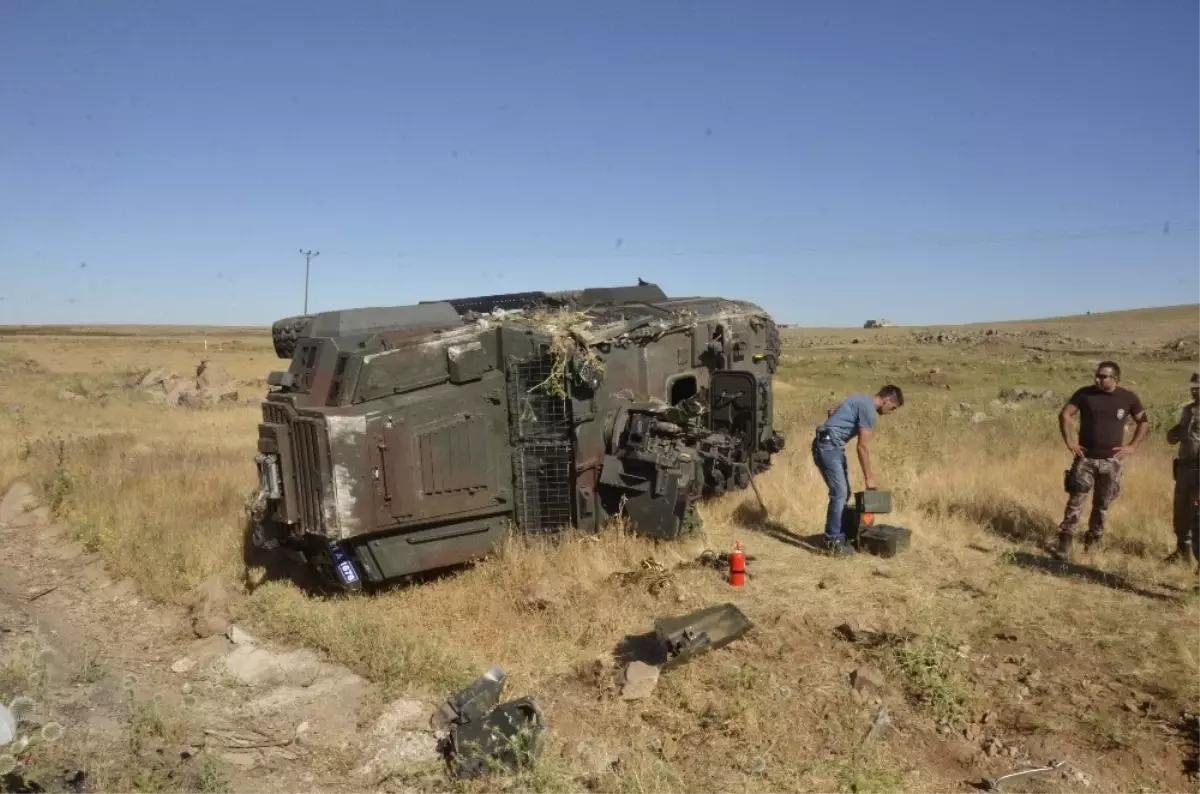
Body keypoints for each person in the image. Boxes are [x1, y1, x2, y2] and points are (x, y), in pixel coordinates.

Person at [1054, 360, 1149, 561]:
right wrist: (1070, 442)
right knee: (1076, 500)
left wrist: (1132, 446)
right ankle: (1065, 539)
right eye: (1097, 375)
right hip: (1085, 459)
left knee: (1103, 503)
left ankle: (1094, 539)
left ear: (1116, 378)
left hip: (1111, 462)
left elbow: (1143, 421)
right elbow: (1065, 415)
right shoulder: (1084, 394)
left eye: (1104, 376)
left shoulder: (1128, 398)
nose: (1098, 378)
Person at [811, 385, 904, 556]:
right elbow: (862, 447)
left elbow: (832, 411)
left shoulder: (859, 398)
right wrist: (869, 477)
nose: (891, 412)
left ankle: (838, 534)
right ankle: (833, 542)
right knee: (839, 493)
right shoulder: (869, 411)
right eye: (893, 408)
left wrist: (837, 427)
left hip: (829, 443)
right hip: (829, 446)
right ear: (887, 400)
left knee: (843, 493)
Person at [1165, 373, 1200, 565]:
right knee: (1181, 510)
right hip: (1184, 468)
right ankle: (1182, 551)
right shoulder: (1188, 410)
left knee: (1198, 513)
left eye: (1198, 387)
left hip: (1198, 470)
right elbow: (1179, 432)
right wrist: (1174, 433)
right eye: (1193, 387)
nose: (1194, 390)